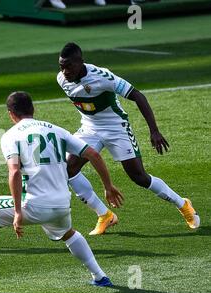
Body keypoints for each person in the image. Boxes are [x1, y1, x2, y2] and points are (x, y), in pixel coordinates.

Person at [0, 91, 123, 287]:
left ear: (10, 114)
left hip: (33, 205)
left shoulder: (11, 136)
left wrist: (17, 212)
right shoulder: (57, 130)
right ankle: (100, 277)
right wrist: (108, 186)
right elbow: (93, 154)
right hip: (62, 204)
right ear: (33, 109)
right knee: (68, 233)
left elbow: (14, 172)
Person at [57, 42, 200, 235]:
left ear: (81, 62)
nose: (64, 71)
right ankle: (105, 215)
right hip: (89, 129)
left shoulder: (102, 76)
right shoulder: (62, 79)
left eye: (68, 66)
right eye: (61, 66)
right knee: (68, 168)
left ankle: (183, 204)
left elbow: (138, 96)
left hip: (117, 129)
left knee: (139, 177)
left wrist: (154, 131)